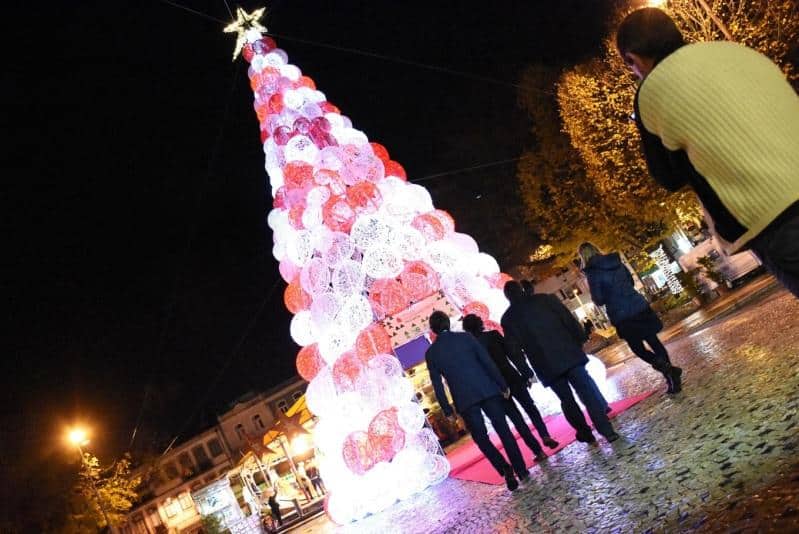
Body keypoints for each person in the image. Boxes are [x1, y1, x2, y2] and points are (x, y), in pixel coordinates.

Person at [616, 7, 799, 297]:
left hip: (772, 216)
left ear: (633, 59)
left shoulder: (650, 91)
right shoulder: (735, 51)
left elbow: (669, 177)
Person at [501, 281, 619, 444]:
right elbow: (568, 319)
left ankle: (585, 433)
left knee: (567, 400)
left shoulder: (508, 319)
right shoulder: (546, 300)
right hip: (569, 353)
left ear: (507, 297)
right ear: (521, 290)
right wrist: (579, 338)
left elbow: (514, 350)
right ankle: (607, 431)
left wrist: (526, 371)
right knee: (587, 393)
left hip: (545, 365)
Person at [425, 311, 528, 490]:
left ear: (432, 330)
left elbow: (437, 385)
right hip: (487, 389)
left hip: (464, 399)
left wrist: (447, 410)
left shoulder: (432, 353)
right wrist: (502, 384)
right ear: (448, 323)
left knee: (481, 438)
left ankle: (504, 467)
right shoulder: (466, 338)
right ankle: (521, 469)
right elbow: (487, 362)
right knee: (503, 430)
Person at [578, 242, 682, 394]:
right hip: (638, 305)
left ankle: (669, 371)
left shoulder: (593, 273)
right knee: (654, 341)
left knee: (638, 348)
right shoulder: (616, 262)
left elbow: (599, 299)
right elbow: (631, 282)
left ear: (583, 257)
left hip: (622, 315)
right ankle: (671, 376)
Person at [461, 313, 559, 454]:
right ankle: (544, 435)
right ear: (480, 324)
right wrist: (526, 373)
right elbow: (513, 354)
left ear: (467, 330)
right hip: (512, 376)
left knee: (516, 418)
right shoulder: (494, 335)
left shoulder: (471, 348)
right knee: (530, 407)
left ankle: (538, 451)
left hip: (496, 386)